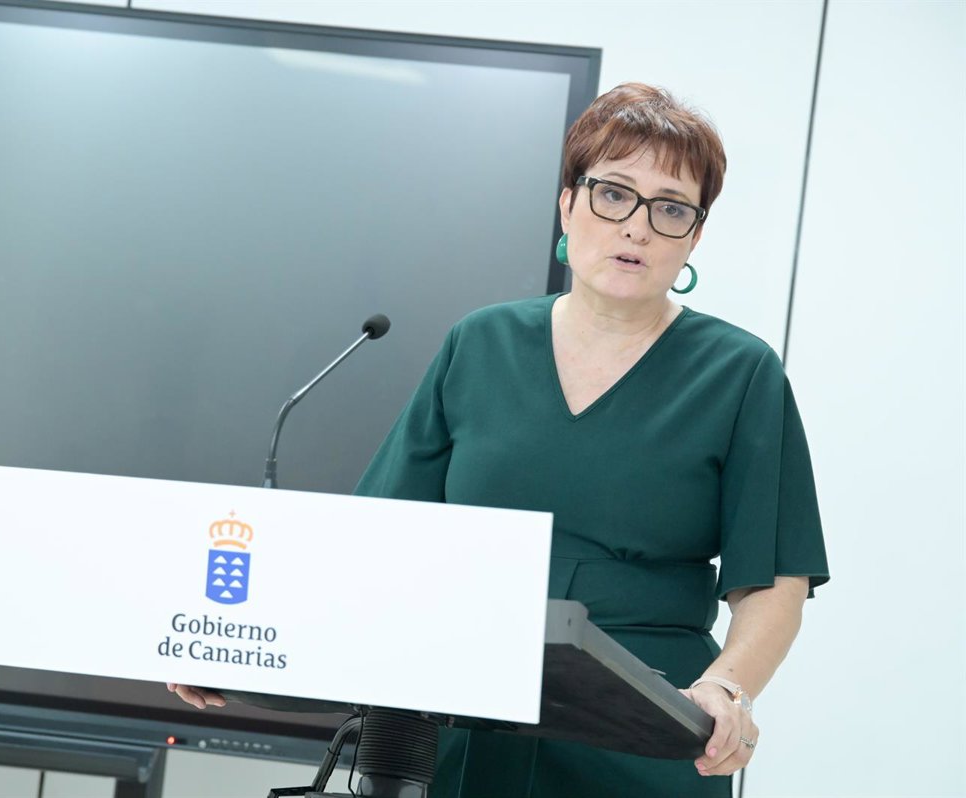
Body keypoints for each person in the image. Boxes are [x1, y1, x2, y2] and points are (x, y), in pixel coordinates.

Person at [170, 82, 830, 798]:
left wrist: (726, 689)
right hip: (462, 714)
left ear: (695, 236)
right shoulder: (480, 344)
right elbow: (375, 539)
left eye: (670, 208)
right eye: (613, 194)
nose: (637, 228)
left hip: (642, 732)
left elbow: (774, 580)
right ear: (568, 205)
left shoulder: (741, 373)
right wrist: (240, 645)